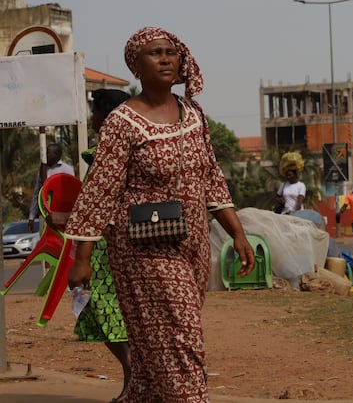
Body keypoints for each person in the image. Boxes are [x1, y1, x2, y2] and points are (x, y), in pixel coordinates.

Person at [65, 26, 255, 402]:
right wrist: (81, 258)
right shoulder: (122, 122)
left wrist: (238, 233)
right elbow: (100, 190)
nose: (166, 58)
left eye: (171, 51)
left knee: (160, 348)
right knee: (181, 337)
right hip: (144, 248)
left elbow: (213, 179)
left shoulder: (194, 114)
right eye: (155, 53)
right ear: (136, 66)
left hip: (193, 243)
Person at [74, 89, 132, 401]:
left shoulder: (110, 155)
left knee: (106, 313)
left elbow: (98, 206)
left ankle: (134, 378)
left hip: (107, 251)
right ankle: (132, 382)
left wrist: (82, 258)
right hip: (110, 247)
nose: (91, 117)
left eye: (95, 111)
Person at [28, 142, 75, 233]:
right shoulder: (42, 170)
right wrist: (31, 217)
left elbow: (71, 191)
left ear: (57, 155)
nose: (45, 156)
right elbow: (37, 193)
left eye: (48, 153)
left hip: (60, 214)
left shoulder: (67, 169)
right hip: (44, 214)